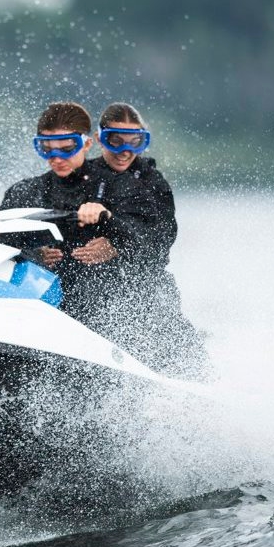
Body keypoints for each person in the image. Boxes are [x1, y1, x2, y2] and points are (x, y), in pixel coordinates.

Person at [0, 102, 152, 332]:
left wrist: (107, 219)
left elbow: (148, 248)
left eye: (67, 148)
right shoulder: (24, 192)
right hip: (41, 310)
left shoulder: (124, 186)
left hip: (107, 313)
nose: (57, 157)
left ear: (87, 144)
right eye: (47, 148)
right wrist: (34, 254)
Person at [86, 102, 209, 378]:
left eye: (135, 142)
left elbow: (162, 241)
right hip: (93, 288)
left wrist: (118, 246)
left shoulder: (154, 183)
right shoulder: (83, 176)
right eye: (115, 141)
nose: (124, 152)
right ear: (98, 139)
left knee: (179, 352)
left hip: (146, 286)